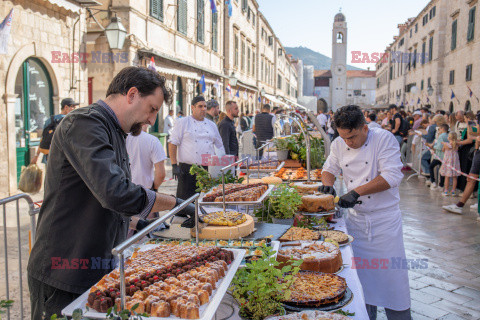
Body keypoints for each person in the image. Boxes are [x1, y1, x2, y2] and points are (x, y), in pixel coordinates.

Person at [27, 67, 197, 319]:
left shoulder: (115, 130)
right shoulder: (84, 122)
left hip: (94, 270)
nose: (152, 120)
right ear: (131, 94)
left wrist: (137, 223)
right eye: (151, 109)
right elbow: (115, 193)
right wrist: (176, 204)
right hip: (63, 273)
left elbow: (102, 199)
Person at [320, 105, 410, 320]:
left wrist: (356, 192)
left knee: (393, 284)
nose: (348, 142)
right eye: (343, 137)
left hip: (384, 223)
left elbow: (392, 177)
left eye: (351, 137)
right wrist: (327, 185)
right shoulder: (339, 143)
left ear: (364, 127)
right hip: (357, 224)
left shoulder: (384, 139)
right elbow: (329, 168)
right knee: (361, 283)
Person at [169, 95, 225, 200]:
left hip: (207, 169)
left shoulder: (212, 125)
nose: (203, 109)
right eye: (200, 106)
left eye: (205, 106)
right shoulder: (183, 122)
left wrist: (221, 165)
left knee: (206, 200)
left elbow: (219, 146)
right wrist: (173, 165)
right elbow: (172, 143)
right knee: (185, 204)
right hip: (187, 169)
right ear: (193, 107)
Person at [126, 123, 168, 236]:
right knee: (149, 237)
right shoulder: (152, 140)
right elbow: (161, 174)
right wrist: (154, 188)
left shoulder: (119, 138)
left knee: (124, 236)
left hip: (123, 193)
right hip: (146, 194)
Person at [30, 98, 79, 164]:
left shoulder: (50, 120)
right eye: (73, 106)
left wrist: (36, 156)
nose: (74, 108)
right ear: (66, 107)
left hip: (49, 159)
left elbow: (43, 138)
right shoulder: (71, 121)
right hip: (65, 160)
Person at [440, 132, 461, 196]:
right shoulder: (457, 144)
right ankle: (453, 191)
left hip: (448, 161)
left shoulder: (447, 144)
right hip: (455, 161)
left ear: (449, 137)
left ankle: (446, 191)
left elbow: (443, 150)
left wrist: (443, 144)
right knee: (455, 177)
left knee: (447, 177)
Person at [428, 123, 449, 189]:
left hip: (439, 155)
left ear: (442, 129)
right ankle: (441, 185)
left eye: (439, 129)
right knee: (442, 170)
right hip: (444, 156)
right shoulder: (448, 135)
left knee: (431, 166)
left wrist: (433, 147)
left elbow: (439, 146)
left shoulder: (441, 136)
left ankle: (433, 181)